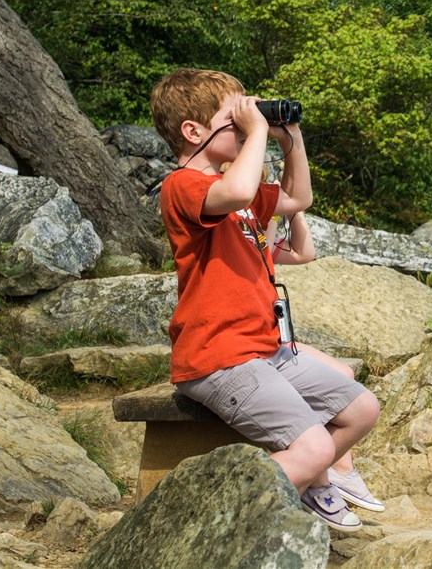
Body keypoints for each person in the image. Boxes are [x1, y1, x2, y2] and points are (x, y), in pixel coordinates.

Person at [150, 68, 380, 532]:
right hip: (220, 357)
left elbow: (299, 197)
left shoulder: (243, 197)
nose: (243, 124)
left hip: (265, 349)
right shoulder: (183, 186)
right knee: (313, 446)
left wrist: (289, 135)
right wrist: (257, 130)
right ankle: (212, 523)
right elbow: (234, 188)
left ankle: (307, 486)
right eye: (231, 119)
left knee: (362, 409)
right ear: (193, 131)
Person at [265, 211, 386, 513]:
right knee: (336, 381)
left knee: (343, 372)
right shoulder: (241, 229)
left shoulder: (257, 230)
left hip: (276, 339)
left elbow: (305, 252)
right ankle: (325, 478)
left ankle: (339, 470)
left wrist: (292, 210)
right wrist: (270, 211)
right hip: (256, 345)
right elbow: (263, 246)